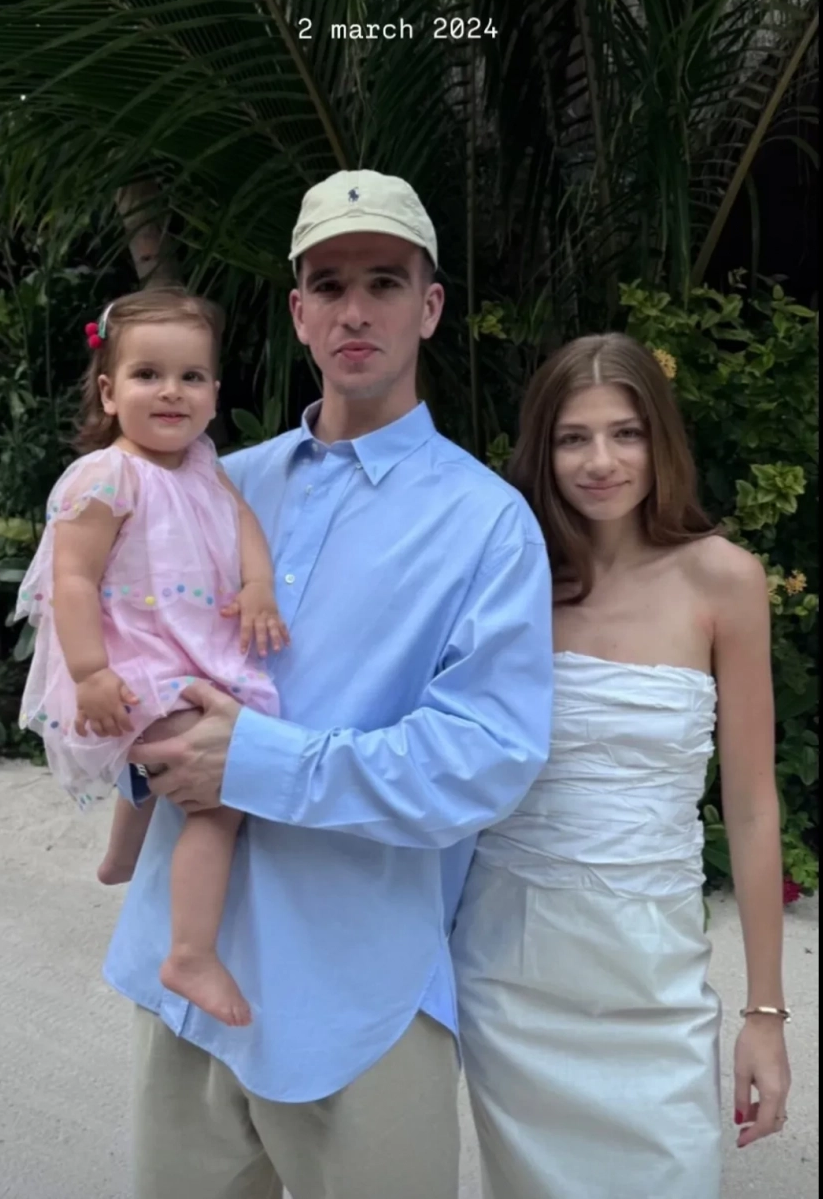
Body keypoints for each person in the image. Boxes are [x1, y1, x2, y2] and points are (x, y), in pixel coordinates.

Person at [101, 169, 554, 1199]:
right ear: (298, 311)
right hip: (185, 980)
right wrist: (144, 746)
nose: (356, 310)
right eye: (331, 284)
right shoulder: (215, 484)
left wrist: (253, 761)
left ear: (429, 306)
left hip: (358, 997)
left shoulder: (486, 524)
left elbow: (484, 758)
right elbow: (132, 651)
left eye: (385, 282)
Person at [449, 332, 793, 1199]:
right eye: (574, 437)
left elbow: (753, 805)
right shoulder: (507, 578)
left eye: (626, 433)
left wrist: (764, 1012)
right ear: (543, 450)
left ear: (660, 440)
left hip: (653, 969)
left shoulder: (725, 581)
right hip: (512, 966)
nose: (600, 461)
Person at [14, 288, 289, 1029]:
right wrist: (89, 673)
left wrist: (258, 586)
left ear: (214, 393)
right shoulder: (105, 476)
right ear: (109, 392)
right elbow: (72, 580)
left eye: (191, 377)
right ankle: (189, 953)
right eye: (148, 375)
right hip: (128, 662)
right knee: (220, 796)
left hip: (188, 652)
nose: (172, 391)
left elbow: (243, 523)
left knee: (164, 763)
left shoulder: (203, 463)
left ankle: (122, 857)